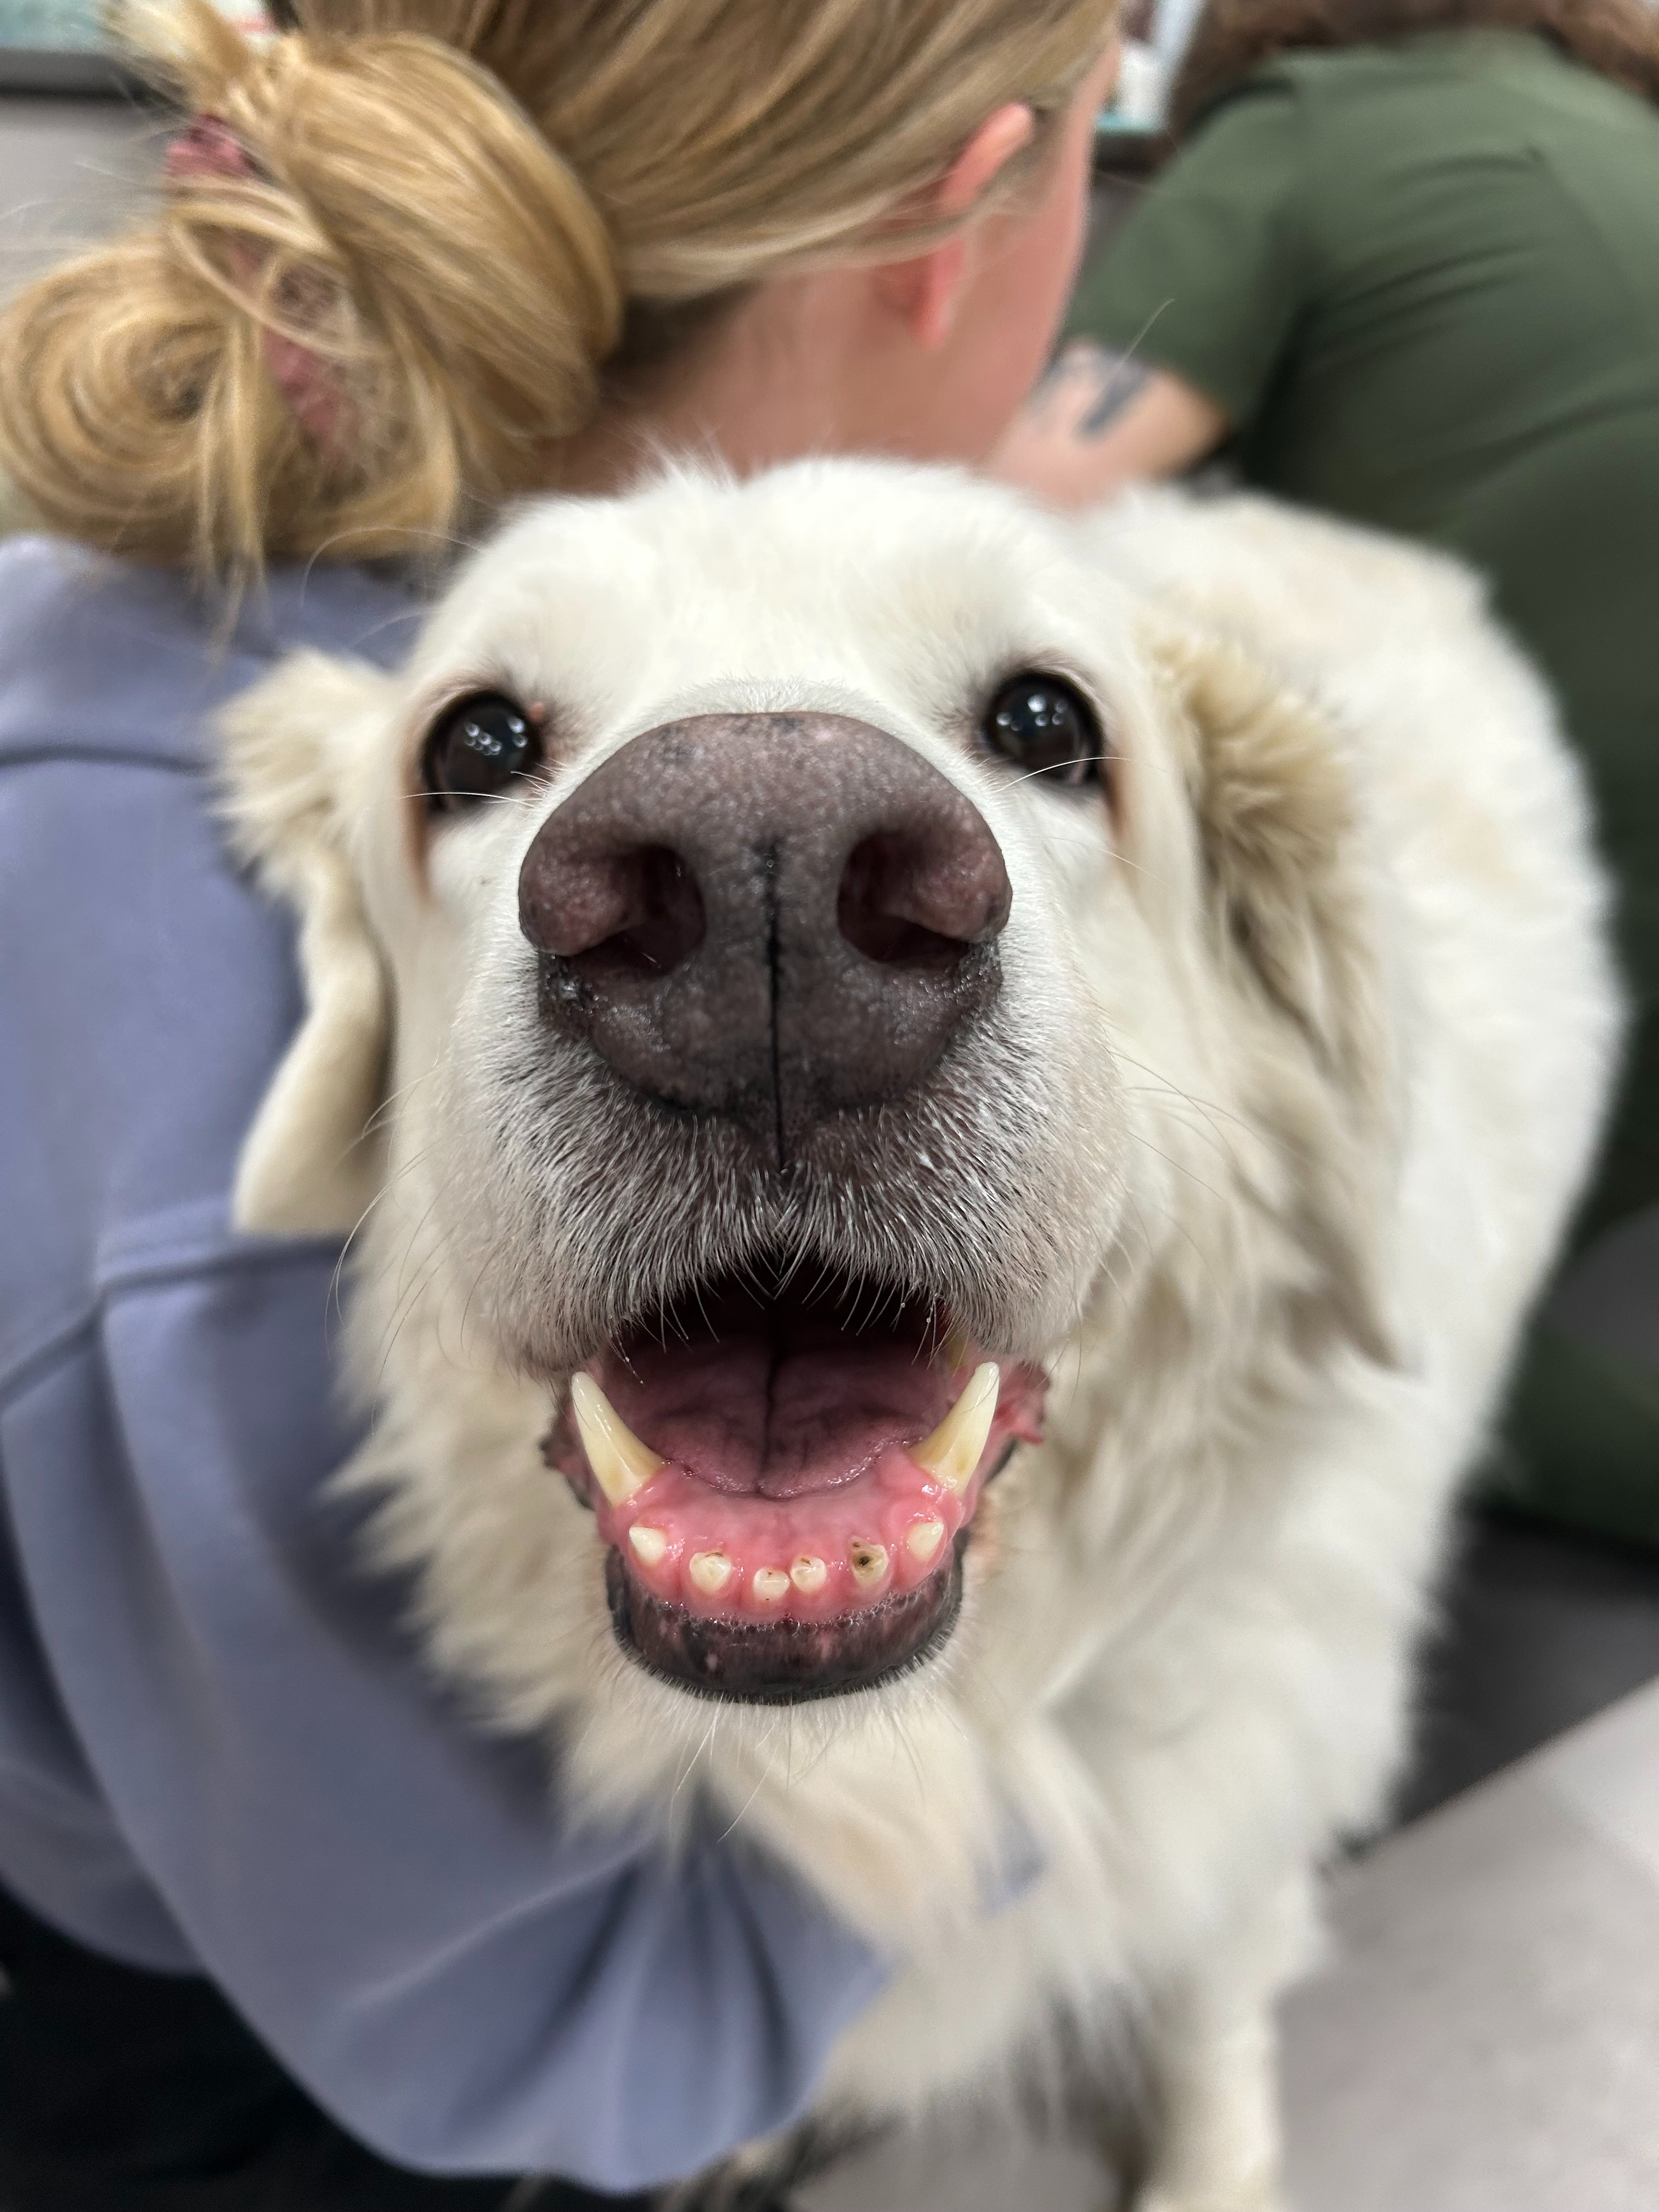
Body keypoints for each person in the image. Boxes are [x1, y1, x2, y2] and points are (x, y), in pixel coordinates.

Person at [0, 4, 1118, 2206]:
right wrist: (1095, 1754)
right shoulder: (230, 1229)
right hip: (233, 2050)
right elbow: (539, 2046)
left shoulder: (103, 643)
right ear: (956, 213)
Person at [995, 0, 1659, 1555]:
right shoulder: (1621, 140)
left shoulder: (1304, 131)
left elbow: (1020, 509)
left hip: (1556, 926)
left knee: (1277, 1284)